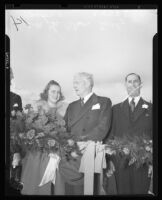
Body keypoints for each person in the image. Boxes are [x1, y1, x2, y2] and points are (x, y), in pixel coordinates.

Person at [54, 72, 112, 195]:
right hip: (71, 157)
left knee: (89, 190)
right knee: (71, 190)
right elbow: (64, 130)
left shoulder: (104, 102)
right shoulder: (72, 106)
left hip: (90, 155)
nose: (74, 86)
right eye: (73, 83)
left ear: (88, 83)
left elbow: (103, 128)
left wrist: (81, 141)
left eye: (77, 83)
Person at [20, 80, 67, 195]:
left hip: (55, 155)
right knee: (34, 186)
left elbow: (63, 135)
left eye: (58, 92)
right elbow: (28, 131)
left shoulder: (63, 112)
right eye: (53, 91)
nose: (56, 95)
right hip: (37, 155)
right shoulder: (37, 109)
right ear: (46, 92)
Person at [109, 73, 152, 194]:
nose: (132, 84)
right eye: (129, 81)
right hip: (120, 162)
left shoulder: (151, 108)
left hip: (143, 163)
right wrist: (110, 160)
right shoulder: (115, 109)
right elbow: (111, 135)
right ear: (125, 85)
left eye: (135, 81)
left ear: (140, 84)